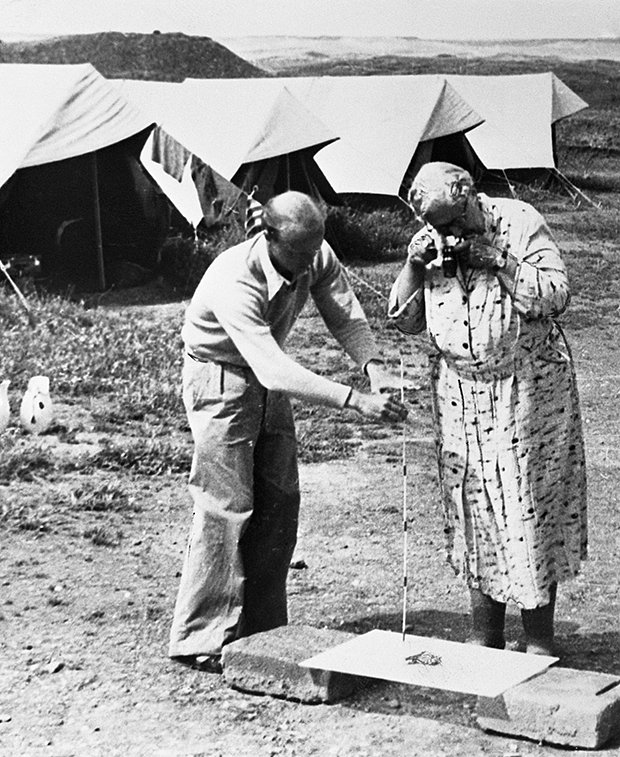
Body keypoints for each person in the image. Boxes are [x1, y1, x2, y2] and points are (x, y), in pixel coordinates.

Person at [170, 190, 408, 672]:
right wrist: (354, 399)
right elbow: (276, 369)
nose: (306, 265)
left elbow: (344, 310)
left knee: (280, 498)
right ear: (269, 236)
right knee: (226, 504)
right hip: (220, 374)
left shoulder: (313, 250)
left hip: (262, 371)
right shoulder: (235, 279)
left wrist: (373, 366)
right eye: (297, 254)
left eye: (314, 250)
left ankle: (261, 627)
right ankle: (201, 636)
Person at [388, 162, 587, 656]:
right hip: (459, 392)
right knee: (472, 505)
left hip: (526, 387)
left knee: (528, 504)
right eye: (436, 227)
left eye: (452, 225)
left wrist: (498, 260)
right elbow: (404, 320)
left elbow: (557, 295)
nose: (445, 235)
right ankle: (485, 636)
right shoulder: (430, 235)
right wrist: (415, 265)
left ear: (468, 196)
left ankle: (539, 639)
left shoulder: (518, 221)